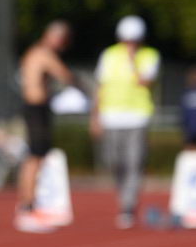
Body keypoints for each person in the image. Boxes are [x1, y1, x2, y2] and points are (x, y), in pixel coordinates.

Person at [91, 15, 161, 229]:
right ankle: (124, 198)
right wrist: (95, 116)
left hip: (137, 117)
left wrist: (133, 61)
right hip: (111, 117)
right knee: (114, 162)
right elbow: (100, 87)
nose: (129, 44)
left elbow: (145, 80)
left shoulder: (150, 56)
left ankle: (128, 206)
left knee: (134, 162)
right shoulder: (109, 55)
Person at [15, 20, 79, 233]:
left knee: (35, 156)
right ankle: (27, 207)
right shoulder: (43, 53)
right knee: (36, 156)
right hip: (36, 108)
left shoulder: (34, 52)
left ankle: (28, 205)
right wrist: (85, 90)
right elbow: (65, 74)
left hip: (36, 107)